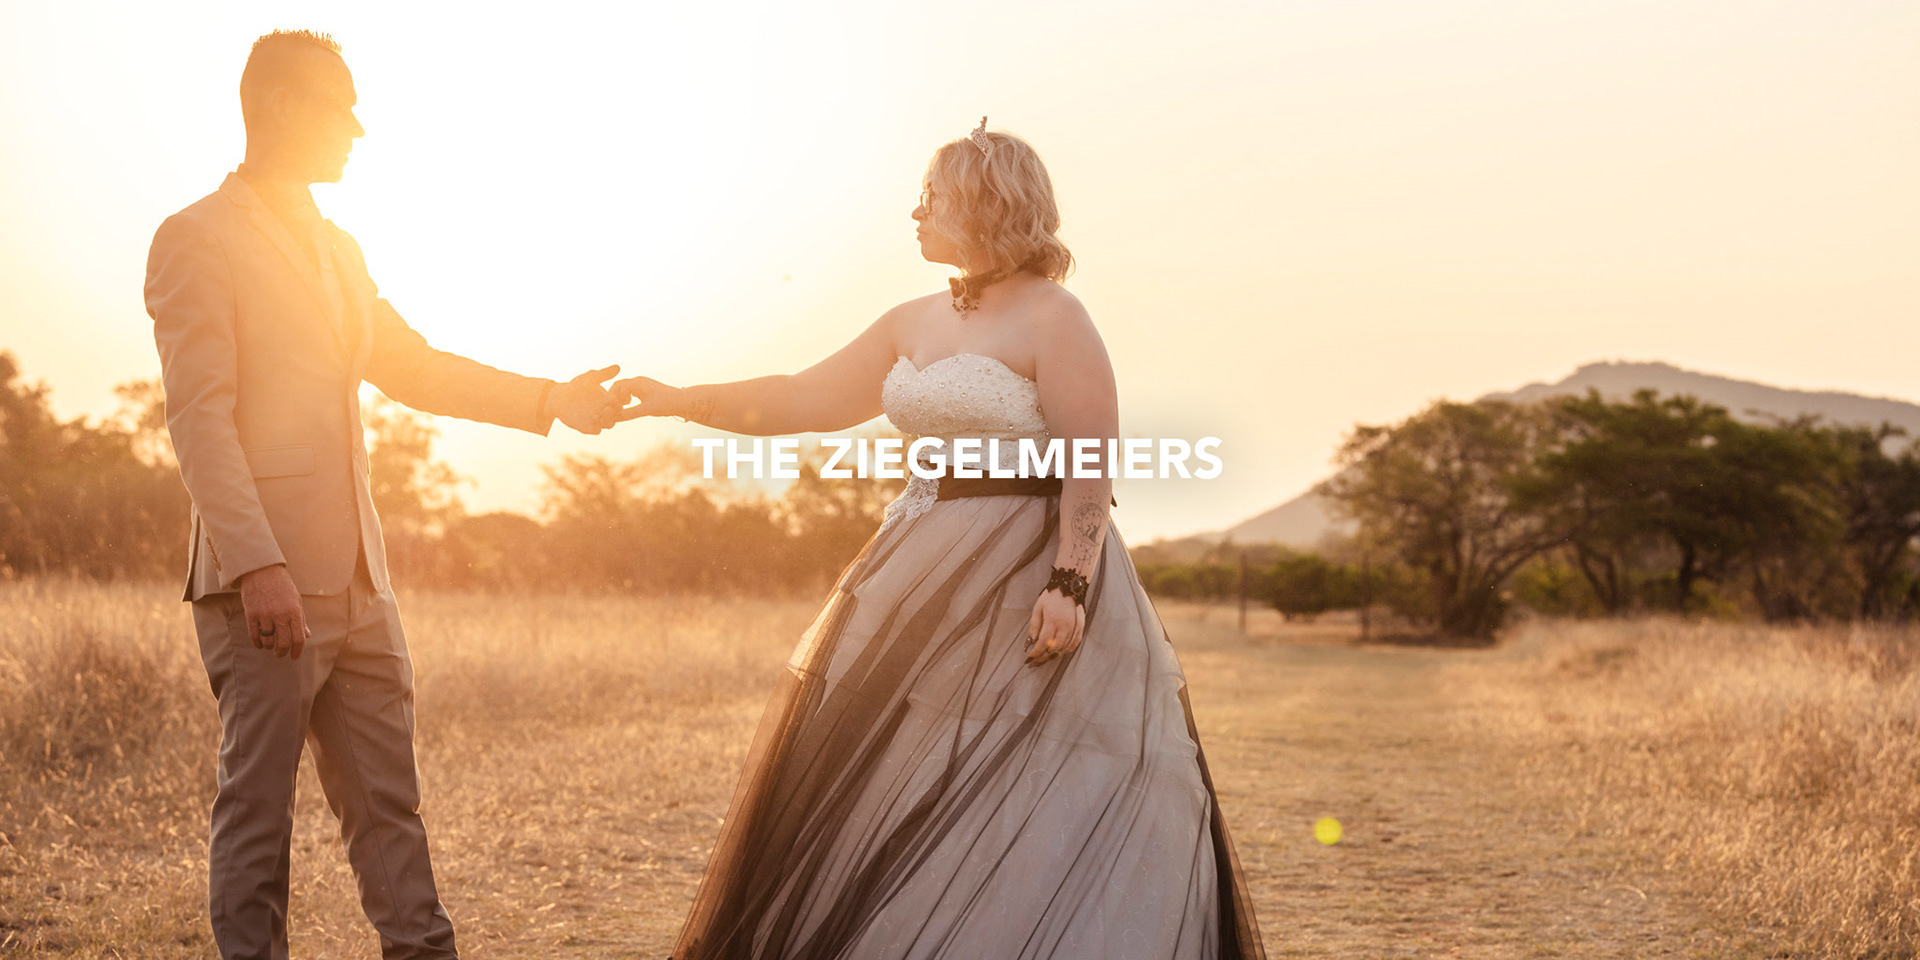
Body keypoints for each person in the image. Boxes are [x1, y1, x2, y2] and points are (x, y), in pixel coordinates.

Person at [617, 119, 1264, 960]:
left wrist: (1070, 583)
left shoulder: (1055, 317)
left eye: (932, 198)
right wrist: (678, 399)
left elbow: (1091, 461)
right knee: (902, 764)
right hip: (915, 565)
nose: (914, 213)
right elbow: (801, 398)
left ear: (987, 206)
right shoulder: (911, 319)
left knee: (1029, 768)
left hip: (1027, 569)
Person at [143, 29, 622, 960]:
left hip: (364, 581)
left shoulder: (341, 247)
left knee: (391, 813)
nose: (358, 129)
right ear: (280, 105)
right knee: (258, 818)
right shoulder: (194, 237)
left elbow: (413, 365)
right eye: (341, 105)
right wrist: (260, 566)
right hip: (263, 587)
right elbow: (200, 419)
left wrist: (549, 402)